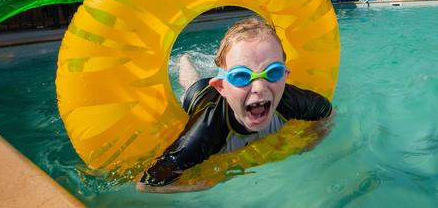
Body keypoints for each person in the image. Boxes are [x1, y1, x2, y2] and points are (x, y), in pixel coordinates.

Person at [136, 17, 333, 191]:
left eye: (272, 72)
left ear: (285, 76)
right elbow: (147, 183)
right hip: (202, 95)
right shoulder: (206, 130)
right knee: (190, 84)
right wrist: (199, 186)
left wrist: (312, 140)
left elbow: (327, 112)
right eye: (241, 76)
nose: (259, 87)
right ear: (221, 86)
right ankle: (184, 60)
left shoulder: (291, 99)